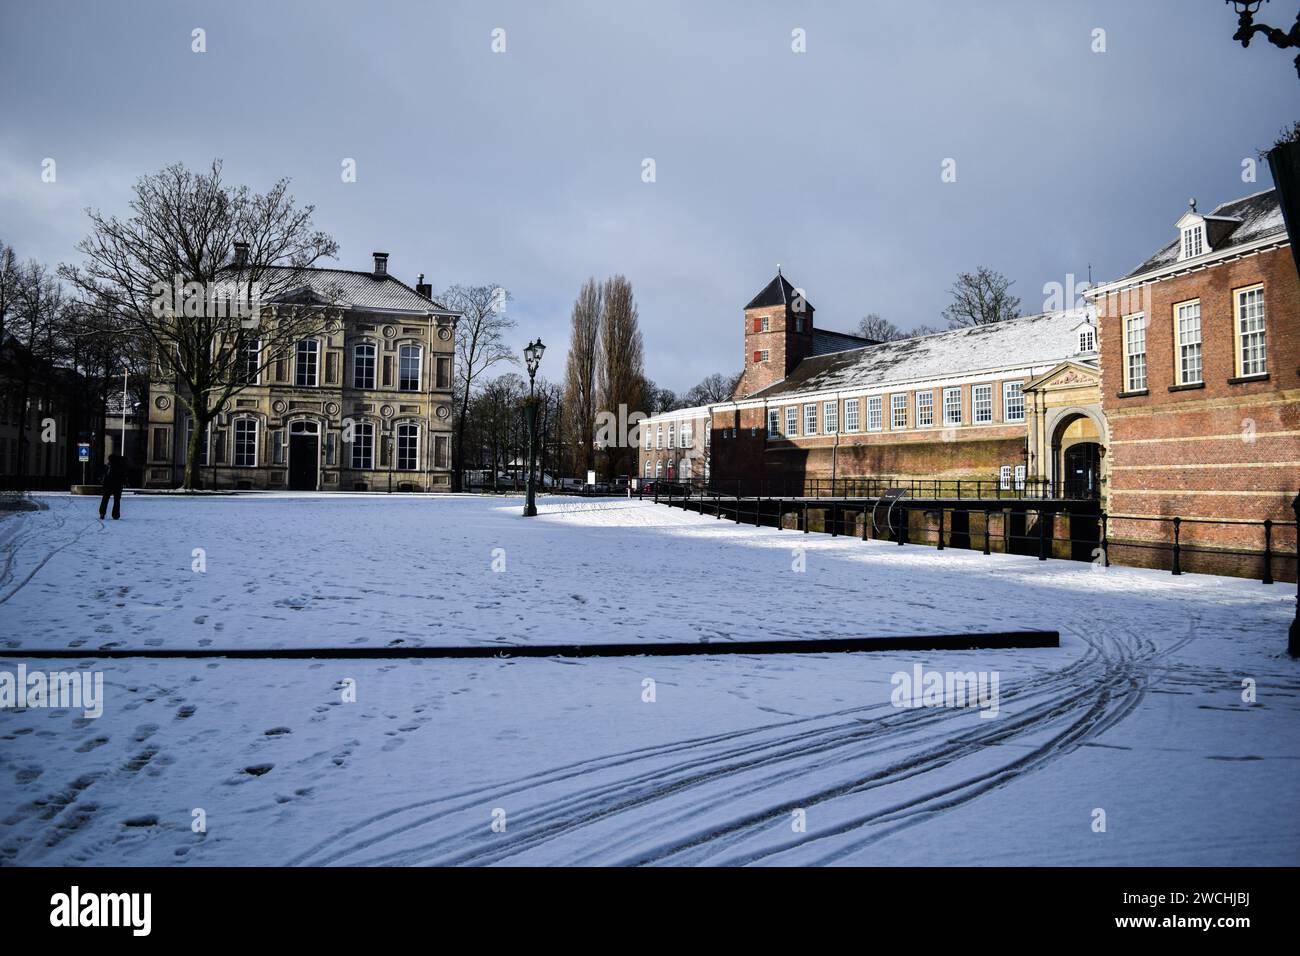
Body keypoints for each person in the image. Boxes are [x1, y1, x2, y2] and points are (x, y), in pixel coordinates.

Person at [99, 453, 125, 520]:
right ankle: (116, 515)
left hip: (108, 485)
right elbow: (123, 476)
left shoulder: (108, 466)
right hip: (118, 486)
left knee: (105, 499)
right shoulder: (120, 466)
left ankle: (102, 513)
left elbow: (104, 475)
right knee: (116, 501)